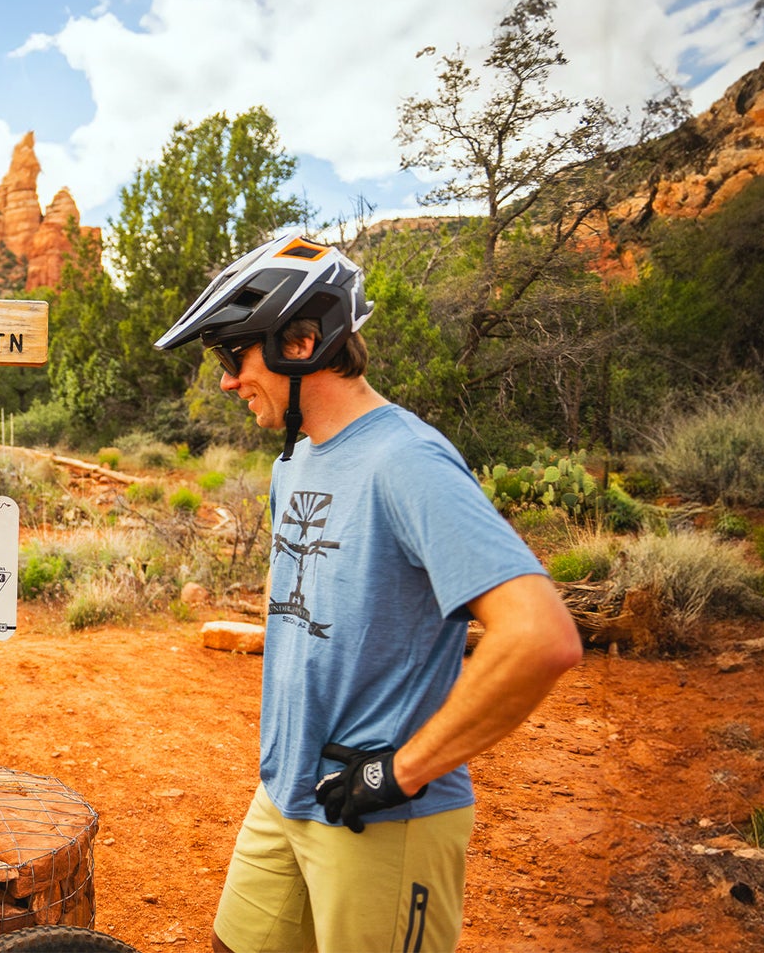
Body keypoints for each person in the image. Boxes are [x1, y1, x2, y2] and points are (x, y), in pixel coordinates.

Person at [155, 236, 582, 953]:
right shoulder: (296, 458)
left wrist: (402, 770)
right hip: (287, 792)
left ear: (301, 340)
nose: (227, 381)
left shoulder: (406, 460)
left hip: (380, 817)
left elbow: (540, 636)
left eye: (234, 355)